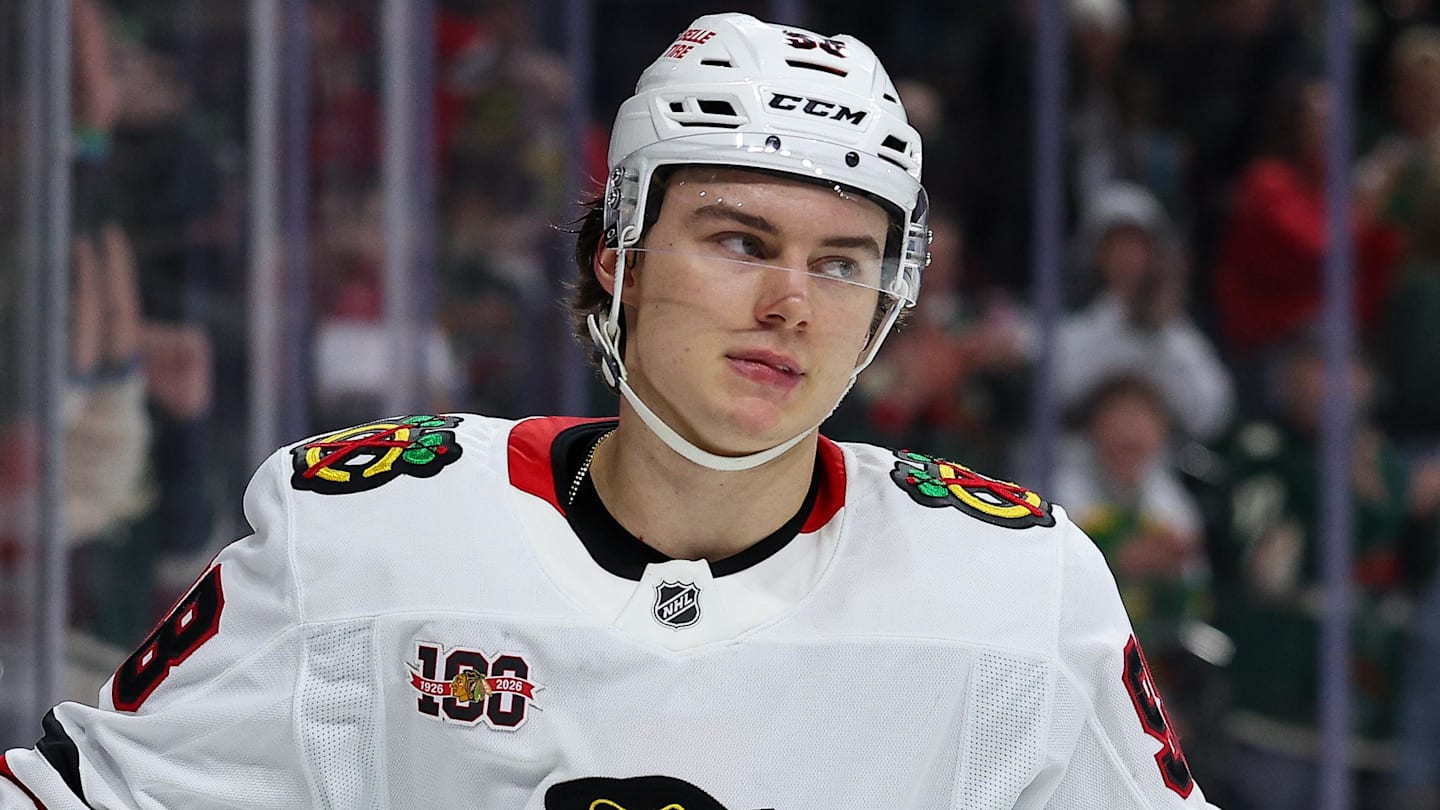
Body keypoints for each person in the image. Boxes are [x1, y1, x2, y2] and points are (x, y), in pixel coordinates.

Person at [0, 13, 1219, 808]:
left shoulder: (1015, 587)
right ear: (615, 256)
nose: (793, 303)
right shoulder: (364, 532)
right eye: (741, 240)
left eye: (845, 261)